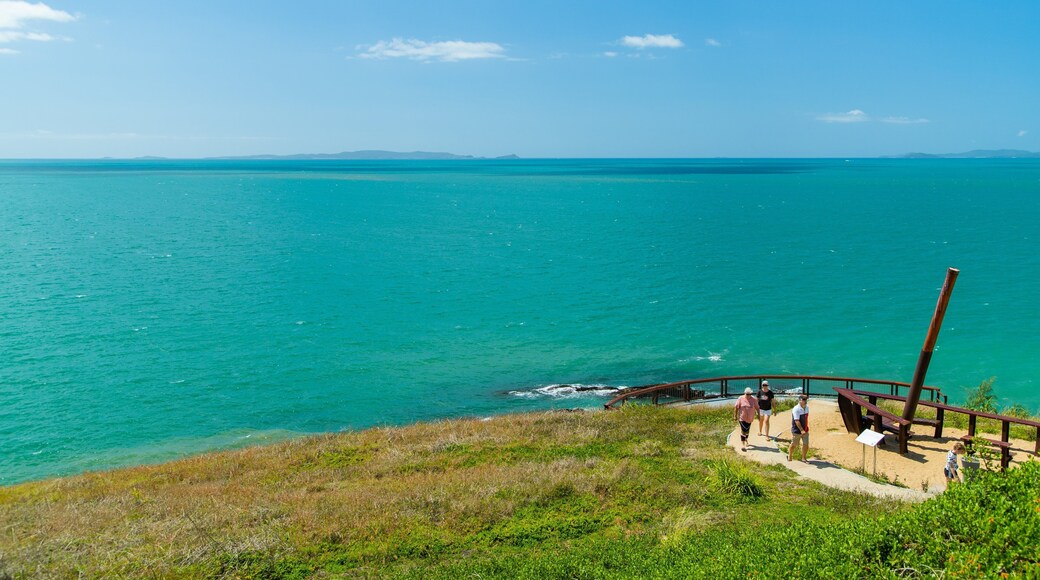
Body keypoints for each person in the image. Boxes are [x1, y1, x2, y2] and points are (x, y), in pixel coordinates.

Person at [734, 387, 760, 451]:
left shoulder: (754, 399)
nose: (748, 395)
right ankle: (743, 445)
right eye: (747, 394)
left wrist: (759, 416)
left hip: (750, 418)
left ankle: (746, 439)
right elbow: (736, 407)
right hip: (742, 418)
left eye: (749, 394)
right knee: (743, 430)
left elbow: (757, 408)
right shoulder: (740, 398)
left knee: (747, 431)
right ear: (744, 393)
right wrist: (735, 416)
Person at [788, 394, 810, 462]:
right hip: (797, 431)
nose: (805, 401)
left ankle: (804, 458)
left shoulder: (807, 408)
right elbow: (796, 420)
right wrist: (801, 430)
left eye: (806, 399)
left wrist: (805, 429)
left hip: (805, 430)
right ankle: (790, 454)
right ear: (800, 400)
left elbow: (806, 418)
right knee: (794, 444)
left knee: (806, 444)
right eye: (803, 400)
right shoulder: (796, 409)